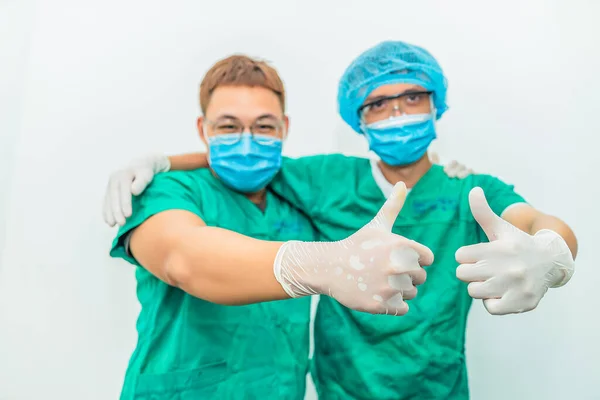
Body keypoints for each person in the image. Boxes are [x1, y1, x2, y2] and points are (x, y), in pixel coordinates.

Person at [105, 42, 577, 399]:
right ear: (358, 118)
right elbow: (243, 168)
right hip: (342, 390)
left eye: (413, 98)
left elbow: (535, 220)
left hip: (437, 387)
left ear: (437, 105)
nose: (397, 113)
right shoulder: (327, 180)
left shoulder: (469, 189)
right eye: (378, 103)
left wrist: (552, 252)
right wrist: (164, 161)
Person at [108, 54, 436, 399]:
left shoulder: (301, 195)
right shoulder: (167, 190)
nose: (247, 142)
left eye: (264, 126)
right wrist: (323, 265)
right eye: (228, 127)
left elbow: (388, 179)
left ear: (285, 128)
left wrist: (438, 169)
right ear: (203, 130)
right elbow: (183, 259)